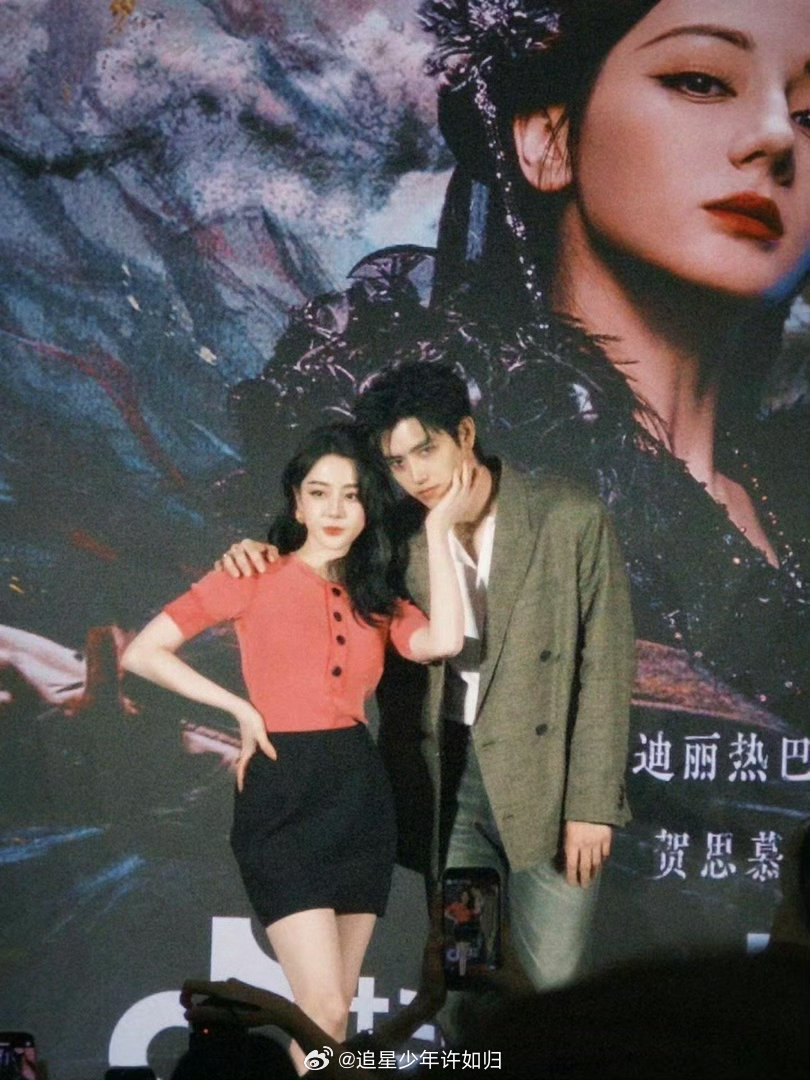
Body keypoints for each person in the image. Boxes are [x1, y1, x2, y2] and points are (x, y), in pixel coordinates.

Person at [226, 0, 810, 968]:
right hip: (466, 822)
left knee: (550, 996)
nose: (774, 141)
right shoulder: (445, 443)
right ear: (546, 139)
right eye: (701, 80)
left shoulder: (768, 500)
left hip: (646, 914)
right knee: (476, 998)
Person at [220, 362, 635, 1043]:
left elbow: (606, 666)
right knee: (465, 985)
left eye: (426, 450)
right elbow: (310, 571)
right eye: (397, 462)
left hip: (550, 786)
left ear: (465, 434)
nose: (415, 474)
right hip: (451, 788)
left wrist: (592, 802)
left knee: (552, 990)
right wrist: (255, 555)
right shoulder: (392, 538)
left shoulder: (568, 516)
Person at [121, 422, 471, 1072]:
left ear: (368, 507)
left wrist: (442, 528)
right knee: (323, 1007)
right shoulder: (252, 573)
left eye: (351, 495)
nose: (335, 510)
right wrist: (237, 708)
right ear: (297, 503)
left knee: (331, 1014)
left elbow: (444, 641)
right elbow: (143, 653)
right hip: (282, 792)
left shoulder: (378, 597)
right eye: (319, 492)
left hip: (359, 796)